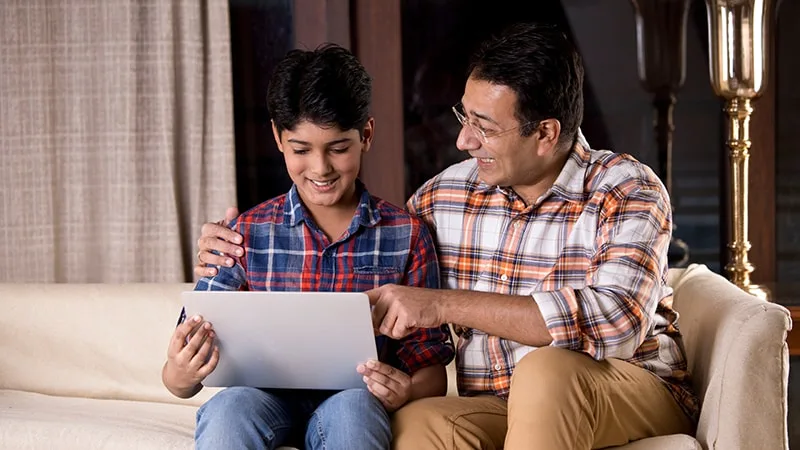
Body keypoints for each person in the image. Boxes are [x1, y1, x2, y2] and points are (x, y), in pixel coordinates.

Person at [195, 23, 698, 450]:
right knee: (413, 427)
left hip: (626, 386)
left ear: (545, 133)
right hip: (496, 402)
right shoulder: (443, 197)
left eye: (484, 126)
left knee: (547, 372)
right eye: (464, 116)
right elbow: (373, 243)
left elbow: (617, 323)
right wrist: (222, 250)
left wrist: (443, 305)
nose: (463, 140)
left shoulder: (625, 188)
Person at [163, 43, 454, 450]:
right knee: (228, 411)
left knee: (354, 412)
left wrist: (405, 390)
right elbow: (178, 380)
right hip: (260, 398)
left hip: (354, 399)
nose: (320, 169)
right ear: (278, 139)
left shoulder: (405, 236)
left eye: (338, 148)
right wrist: (182, 371)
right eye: (301, 150)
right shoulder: (242, 234)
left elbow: (431, 367)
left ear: (366, 135)